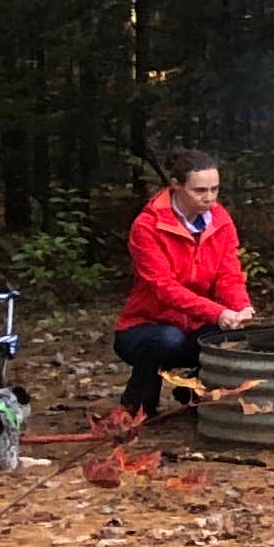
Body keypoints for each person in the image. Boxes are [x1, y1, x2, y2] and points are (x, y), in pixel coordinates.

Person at [115, 149, 253, 423]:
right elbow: (163, 288)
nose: (210, 197)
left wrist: (241, 307)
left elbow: (229, 274)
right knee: (166, 339)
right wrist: (217, 312)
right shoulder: (147, 226)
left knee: (236, 337)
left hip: (195, 326)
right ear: (176, 186)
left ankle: (197, 395)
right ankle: (137, 404)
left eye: (215, 189)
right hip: (143, 328)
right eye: (200, 190)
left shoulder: (221, 221)